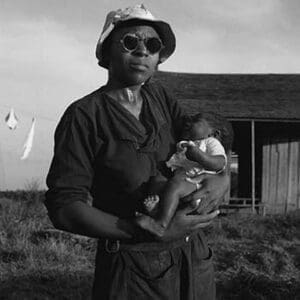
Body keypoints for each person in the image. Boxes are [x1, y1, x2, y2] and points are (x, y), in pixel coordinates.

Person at [44, 4, 230, 300]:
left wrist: (223, 176)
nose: (143, 51)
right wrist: (139, 230)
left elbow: (206, 139)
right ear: (106, 53)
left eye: (153, 45)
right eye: (131, 42)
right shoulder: (84, 116)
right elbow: (65, 207)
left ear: (159, 58)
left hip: (193, 259)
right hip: (133, 269)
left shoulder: (160, 97)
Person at [136, 112, 233, 236]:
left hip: (197, 185)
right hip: (185, 182)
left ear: (214, 133)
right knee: (158, 179)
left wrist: (199, 156)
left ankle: (161, 224)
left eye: (196, 121)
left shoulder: (211, 143)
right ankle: (157, 209)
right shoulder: (187, 143)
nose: (188, 123)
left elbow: (219, 163)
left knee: (175, 186)